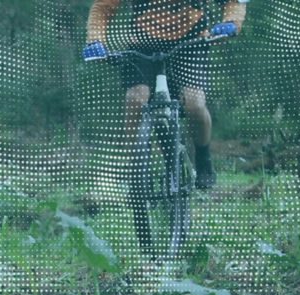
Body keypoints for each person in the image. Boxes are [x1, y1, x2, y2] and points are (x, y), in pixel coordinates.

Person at [83, 0, 249, 190]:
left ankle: (203, 158)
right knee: (135, 98)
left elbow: (233, 2)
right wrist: (95, 39)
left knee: (194, 103)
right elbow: (103, 7)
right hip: (143, 43)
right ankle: (135, 169)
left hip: (191, 42)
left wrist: (231, 21)